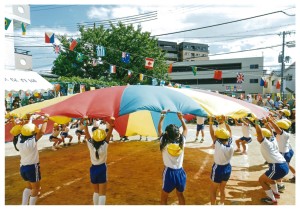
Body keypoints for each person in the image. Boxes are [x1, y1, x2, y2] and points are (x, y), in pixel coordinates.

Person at [16, 114, 49, 205]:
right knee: (36, 188)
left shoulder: (19, 140)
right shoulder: (31, 142)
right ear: (32, 133)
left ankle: (23, 205)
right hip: (32, 168)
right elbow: (41, 132)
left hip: (23, 167)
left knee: (29, 187)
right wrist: (45, 120)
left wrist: (30, 118)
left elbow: (26, 130)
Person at [254, 120, 289, 205]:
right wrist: (266, 123)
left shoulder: (265, 143)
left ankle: (272, 199)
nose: (257, 138)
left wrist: (256, 123)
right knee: (270, 179)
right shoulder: (272, 139)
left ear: (264, 137)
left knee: (262, 180)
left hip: (277, 167)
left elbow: (259, 134)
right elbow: (270, 132)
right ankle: (276, 194)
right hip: (283, 165)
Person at [83, 116, 115, 205]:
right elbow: (108, 136)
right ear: (103, 138)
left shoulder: (91, 145)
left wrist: (85, 122)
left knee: (96, 192)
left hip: (93, 169)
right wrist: (111, 124)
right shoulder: (104, 145)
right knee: (102, 194)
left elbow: (87, 133)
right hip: (102, 169)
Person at [158, 111, 187, 205]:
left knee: (164, 197)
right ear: (178, 134)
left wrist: (162, 117)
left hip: (169, 174)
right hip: (181, 172)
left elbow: (159, 130)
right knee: (180, 195)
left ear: (167, 134)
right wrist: (181, 118)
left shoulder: (164, 143)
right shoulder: (182, 142)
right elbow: (186, 130)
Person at [208, 117, 234, 205]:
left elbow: (212, 134)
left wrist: (210, 122)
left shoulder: (219, 145)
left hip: (218, 169)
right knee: (222, 189)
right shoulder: (230, 144)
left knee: (213, 190)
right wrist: (225, 122)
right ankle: (222, 204)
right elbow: (230, 133)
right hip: (228, 168)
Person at [267, 117, 295, 186]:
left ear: (281, 128)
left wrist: (271, 121)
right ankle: (296, 176)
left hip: (283, 153)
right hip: (288, 151)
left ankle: (280, 184)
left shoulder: (283, 134)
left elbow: (276, 128)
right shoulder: (285, 133)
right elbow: (272, 130)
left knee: (279, 168)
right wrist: (267, 123)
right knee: (287, 165)